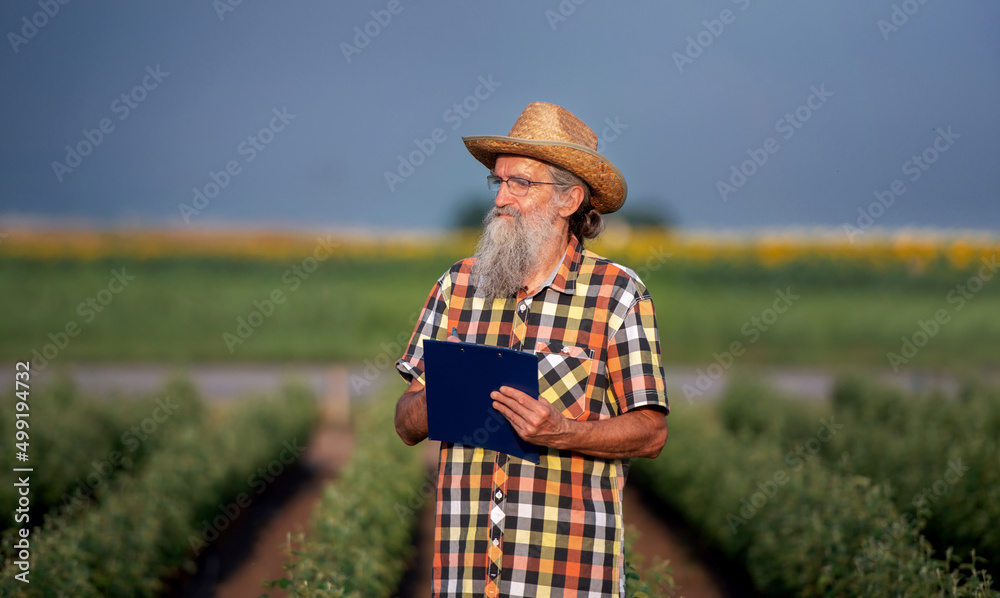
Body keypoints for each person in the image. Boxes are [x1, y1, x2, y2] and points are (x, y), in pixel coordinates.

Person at [394, 101, 669, 597]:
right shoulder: (457, 286)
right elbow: (405, 422)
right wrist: (446, 400)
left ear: (568, 201)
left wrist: (562, 431)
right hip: (465, 577)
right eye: (498, 182)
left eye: (520, 183)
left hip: (564, 578)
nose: (501, 198)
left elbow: (650, 433)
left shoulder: (618, 295)